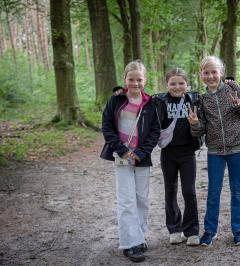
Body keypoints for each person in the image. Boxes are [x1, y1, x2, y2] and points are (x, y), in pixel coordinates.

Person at [188, 55, 240, 246]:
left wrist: (238, 104)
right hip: (215, 150)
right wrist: (195, 123)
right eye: (206, 73)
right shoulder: (201, 99)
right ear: (201, 75)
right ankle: (209, 231)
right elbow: (200, 130)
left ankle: (238, 230)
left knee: (237, 190)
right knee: (213, 191)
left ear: (221, 73)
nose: (210, 76)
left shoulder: (233, 88)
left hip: (237, 148)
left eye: (214, 72)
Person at [100, 60, 160, 263]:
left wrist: (141, 152)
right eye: (131, 79)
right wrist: (123, 151)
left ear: (145, 80)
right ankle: (129, 243)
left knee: (142, 199)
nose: (135, 83)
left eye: (139, 79)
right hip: (121, 157)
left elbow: (154, 132)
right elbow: (107, 126)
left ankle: (140, 237)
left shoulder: (151, 103)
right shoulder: (116, 100)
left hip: (141, 158)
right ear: (125, 79)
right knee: (126, 200)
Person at [153, 68, 202, 246]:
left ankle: (192, 231)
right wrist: (119, 91)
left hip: (187, 152)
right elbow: (138, 98)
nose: (177, 86)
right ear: (166, 84)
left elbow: (201, 128)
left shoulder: (194, 100)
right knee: (170, 191)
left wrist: (195, 124)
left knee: (189, 192)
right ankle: (174, 229)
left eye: (181, 83)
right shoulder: (159, 101)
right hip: (168, 153)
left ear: (187, 84)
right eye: (173, 83)